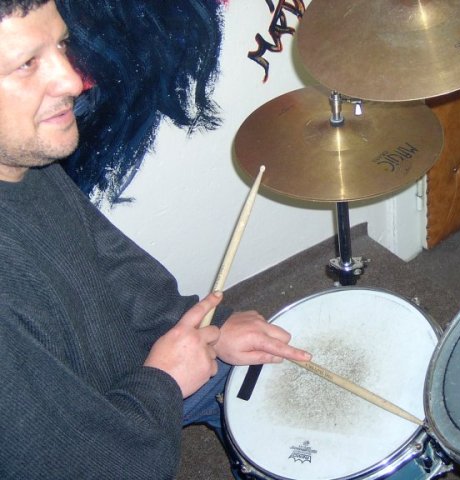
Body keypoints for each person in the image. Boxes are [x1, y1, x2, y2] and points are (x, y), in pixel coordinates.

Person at [0, 1, 311, 478]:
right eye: (27, 64)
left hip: (129, 380)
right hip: (108, 440)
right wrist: (164, 380)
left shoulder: (21, 162)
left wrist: (212, 328)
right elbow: (100, 466)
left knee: (288, 376)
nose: (72, 81)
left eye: (60, 45)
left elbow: (112, 264)